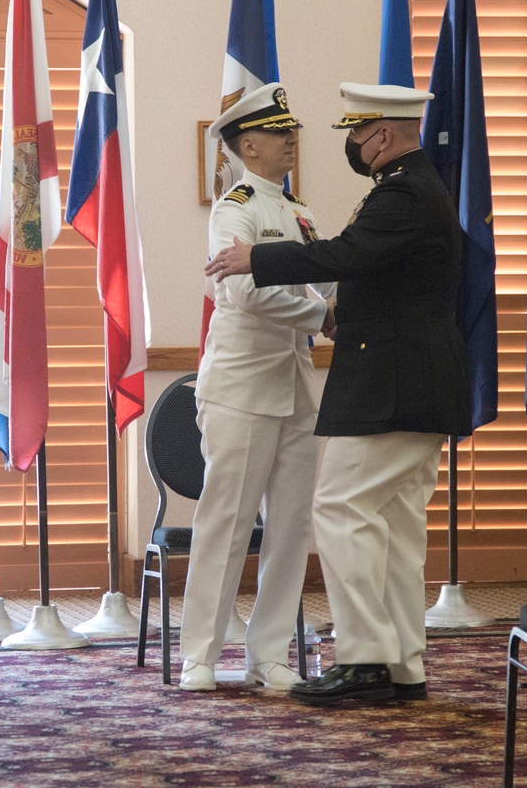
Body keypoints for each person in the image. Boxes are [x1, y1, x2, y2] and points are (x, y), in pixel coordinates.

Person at [205, 82, 472, 705]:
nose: (349, 144)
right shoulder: (412, 188)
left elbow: (348, 254)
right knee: (394, 525)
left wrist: (258, 259)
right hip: (412, 385)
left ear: (380, 134)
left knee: (341, 509)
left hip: (392, 388)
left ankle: (366, 658)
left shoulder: (403, 193)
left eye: (355, 133)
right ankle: (403, 663)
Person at [178, 82, 336, 693]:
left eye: (292, 130)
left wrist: (343, 303)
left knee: (293, 527)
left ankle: (268, 654)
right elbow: (244, 291)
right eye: (279, 131)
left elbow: (320, 284)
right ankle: (200, 653)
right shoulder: (234, 208)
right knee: (227, 523)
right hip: (242, 387)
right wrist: (322, 317)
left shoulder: (303, 214)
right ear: (249, 143)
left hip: (295, 384)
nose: (291, 139)